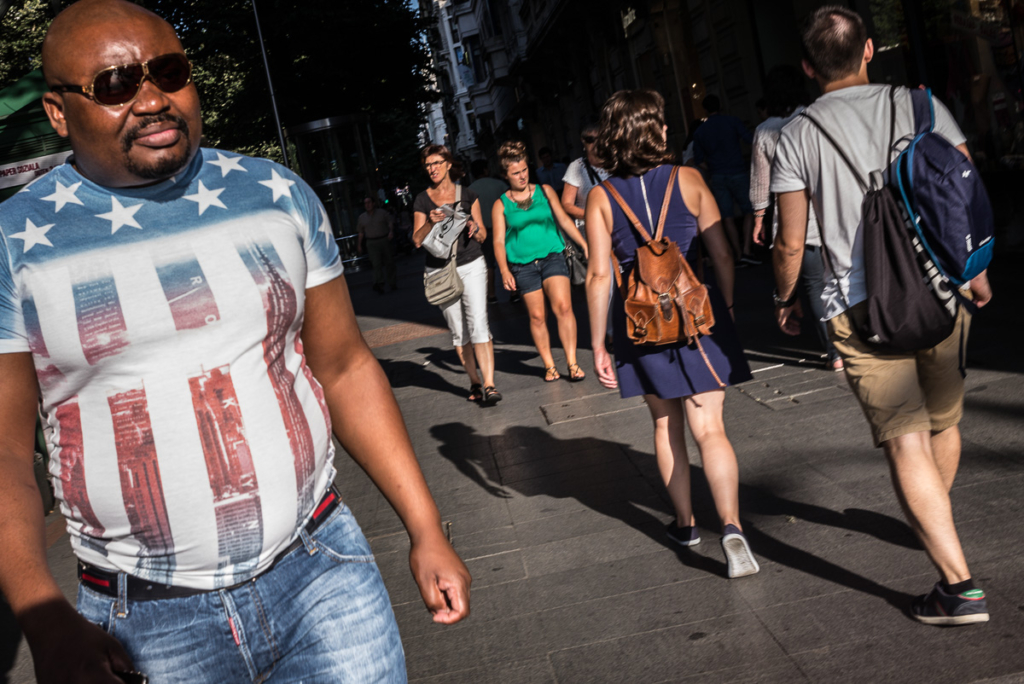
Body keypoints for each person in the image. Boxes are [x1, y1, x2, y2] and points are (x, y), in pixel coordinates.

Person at [0, 2, 472, 682]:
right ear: (57, 112)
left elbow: (343, 367)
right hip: (147, 625)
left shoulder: (276, 194)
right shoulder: (14, 243)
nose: (153, 99)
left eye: (169, 72)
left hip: (323, 576)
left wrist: (426, 527)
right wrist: (42, 620)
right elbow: (11, 454)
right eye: (114, 85)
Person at [771, 6, 993, 625]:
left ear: (811, 68)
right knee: (943, 421)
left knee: (905, 438)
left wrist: (785, 299)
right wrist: (976, 272)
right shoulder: (922, 107)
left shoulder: (798, 133)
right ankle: (935, 519)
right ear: (870, 49)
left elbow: (791, 243)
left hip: (861, 307)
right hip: (942, 290)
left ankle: (959, 587)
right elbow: (964, 192)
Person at [585, 89, 759, 579]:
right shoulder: (690, 179)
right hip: (696, 318)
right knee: (712, 429)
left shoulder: (601, 197)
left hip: (640, 325)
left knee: (666, 427)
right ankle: (732, 526)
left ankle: (685, 524)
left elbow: (599, 275)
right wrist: (722, 304)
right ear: (659, 132)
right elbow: (721, 252)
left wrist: (599, 341)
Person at [749, 64, 842, 371]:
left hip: (798, 223)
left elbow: (762, 184)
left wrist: (760, 219)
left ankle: (835, 353)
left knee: (815, 286)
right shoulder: (818, 118)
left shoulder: (765, 131)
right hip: (836, 212)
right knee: (846, 277)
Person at [492, 141, 589, 382]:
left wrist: (583, 244)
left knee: (564, 308)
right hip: (522, 266)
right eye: (515, 173)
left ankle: (572, 363)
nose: (522, 176)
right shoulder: (500, 204)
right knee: (537, 317)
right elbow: (498, 241)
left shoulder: (545, 191)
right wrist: (504, 270)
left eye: (524, 170)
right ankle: (549, 366)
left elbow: (564, 221)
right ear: (506, 175)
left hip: (552, 256)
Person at [413, 145, 501, 405]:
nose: (433, 169)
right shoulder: (422, 199)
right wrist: (430, 221)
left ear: (449, 164)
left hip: (471, 263)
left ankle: (490, 384)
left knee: (479, 324)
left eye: (437, 163)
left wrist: (474, 227)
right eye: (428, 165)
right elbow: (417, 240)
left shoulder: (468, 194)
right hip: (440, 269)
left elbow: (483, 234)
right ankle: (474, 380)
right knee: (458, 330)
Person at [692, 94, 759, 266]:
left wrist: (713, 168)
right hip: (738, 171)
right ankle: (746, 250)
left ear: (705, 109)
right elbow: (751, 140)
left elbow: (699, 160)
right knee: (748, 211)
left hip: (718, 176)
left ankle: (737, 254)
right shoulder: (732, 121)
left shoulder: (701, 131)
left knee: (727, 216)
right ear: (720, 105)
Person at [468, 158, 508, 303]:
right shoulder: (499, 185)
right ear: (485, 170)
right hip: (504, 229)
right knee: (509, 260)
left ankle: (491, 295)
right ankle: (514, 293)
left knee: (488, 264)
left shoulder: (470, 190)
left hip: (483, 232)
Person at [561, 123, 610, 235]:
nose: (596, 143)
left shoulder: (616, 163)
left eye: (600, 139)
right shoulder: (577, 167)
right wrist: (591, 215)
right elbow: (566, 204)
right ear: (583, 141)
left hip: (617, 224)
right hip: (591, 228)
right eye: (590, 139)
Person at [357, 196, 397, 293]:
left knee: (389, 261)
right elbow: (361, 232)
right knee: (376, 263)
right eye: (365, 203)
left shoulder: (382, 213)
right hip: (371, 242)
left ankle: (392, 282)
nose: (368, 205)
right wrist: (359, 245)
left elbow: (390, 222)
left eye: (369, 202)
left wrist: (391, 231)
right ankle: (379, 283)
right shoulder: (362, 217)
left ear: (373, 203)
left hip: (384, 239)